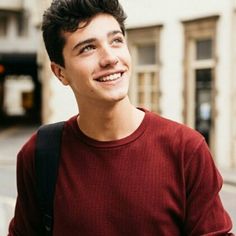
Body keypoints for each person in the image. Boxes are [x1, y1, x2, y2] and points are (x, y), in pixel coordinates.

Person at [8, 0, 234, 235]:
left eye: (116, 40)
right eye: (88, 48)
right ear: (60, 72)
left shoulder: (185, 149)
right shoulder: (39, 154)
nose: (110, 58)